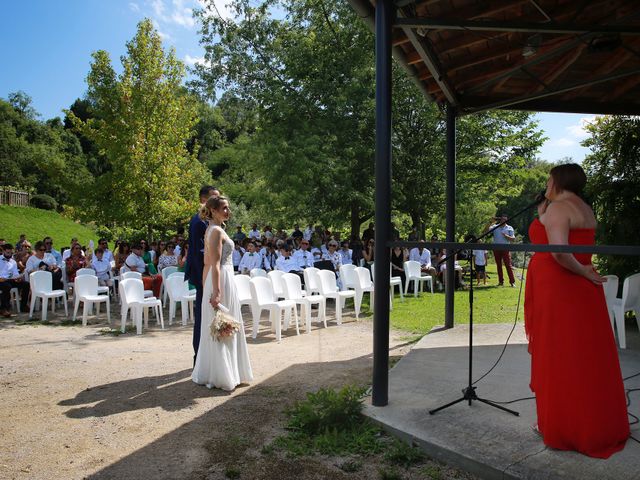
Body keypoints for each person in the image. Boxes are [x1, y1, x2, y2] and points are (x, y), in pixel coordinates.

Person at [524, 163, 629, 458]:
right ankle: (591, 422)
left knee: (559, 355)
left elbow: (558, 250)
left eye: (548, 179)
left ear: (558, 180)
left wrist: (582, 272)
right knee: (585, 356)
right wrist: (544, 209)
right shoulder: (581, 207)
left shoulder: (560, 208)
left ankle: (563, 426)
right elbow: (556, 231)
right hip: (577, 292)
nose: (545, 183)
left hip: (560, 288)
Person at [192, 195, 253, 391]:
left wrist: (206, 287)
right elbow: (214, 263)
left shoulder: (212, 229)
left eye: (228, 208)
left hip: (216, 279)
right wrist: (216, 292)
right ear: (214, 211)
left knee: (223, 326)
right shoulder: (216, 231)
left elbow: (207, 264)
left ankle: (223, 371)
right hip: (222, 280)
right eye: (225, 208)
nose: (228, 211)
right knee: (224, 325)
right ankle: (224, 374)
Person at [184, 185, 220, 363]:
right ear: (203, 200)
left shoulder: (211, 222)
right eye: (213, 198)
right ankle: (199, 357)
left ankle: (207, 356)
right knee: (202, 316)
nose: (217, 202)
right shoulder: (199, 221)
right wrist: (205, 282)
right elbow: (199, 254)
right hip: (203, 276)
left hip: (211, 274)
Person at [485, 214, 516, 287]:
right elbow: (485, 231)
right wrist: (490, 222)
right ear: (500, 220)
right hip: (496, 248)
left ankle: (512, 282)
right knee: (499, 266)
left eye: (505, 220)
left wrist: (506, 236)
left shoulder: (509, 228)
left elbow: (513, 239)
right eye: (502, 219)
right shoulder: (495, 227)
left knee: (508, 265)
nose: (503, 221)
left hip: (506, 249)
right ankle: (500, 282)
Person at [0, 243, 29, 316]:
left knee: (26, 284)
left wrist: (18, 278)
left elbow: (15, 273)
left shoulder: (13, 262)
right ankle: (3, 308)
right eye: (8, 252)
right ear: (3, 251)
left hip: (10, 279)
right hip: (1, 280)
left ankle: (23, 306)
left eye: (11, 253)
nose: (9, 254)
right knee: (7, 286)